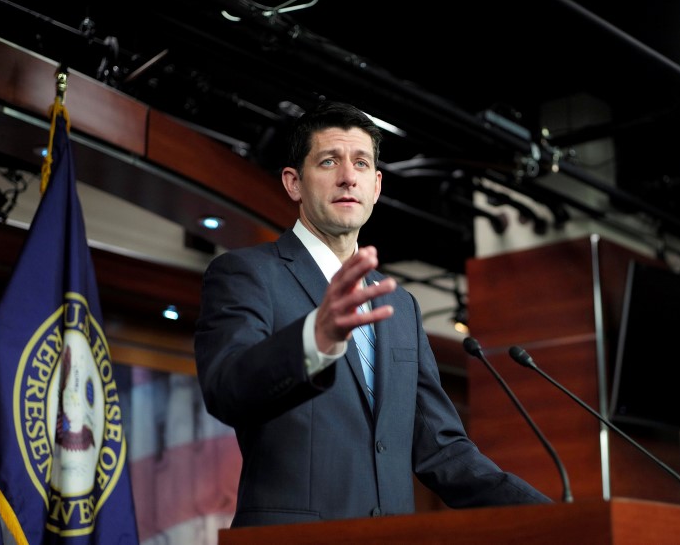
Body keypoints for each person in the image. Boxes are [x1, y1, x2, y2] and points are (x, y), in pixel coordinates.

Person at [193, 100, 552, 528]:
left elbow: (442, 450)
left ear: (376, 185)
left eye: (361, 163)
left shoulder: (398, 306)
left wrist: (559, 516)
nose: (348, 176)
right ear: (294, 183)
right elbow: (227, 388)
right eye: (329, 161)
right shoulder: (247, 273)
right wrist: (315, 341)